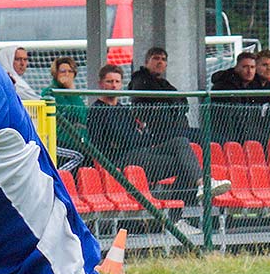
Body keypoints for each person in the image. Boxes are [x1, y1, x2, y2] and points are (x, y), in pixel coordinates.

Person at [88, 64, 226, 205]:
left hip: (140, 152)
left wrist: (137, 139)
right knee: (185, 164)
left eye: (117, 82)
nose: (113, 86)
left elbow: (133, 138)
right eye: (109, 81)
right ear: (101, 84)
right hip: (119, 160)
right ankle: (184, 204)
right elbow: (112, 142)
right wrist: (133, 139)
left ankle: (201, 184)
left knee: (180, 141)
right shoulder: (97, 110)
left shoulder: (123, 110)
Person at [127, 46, 188, 141]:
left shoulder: (164, 83)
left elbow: (184, 102)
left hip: (174, 129)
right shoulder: (140, 80)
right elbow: (160, 99)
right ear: (146, 62)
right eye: (156, 58)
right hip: (156, 132)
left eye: (163, 59)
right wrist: (172, 104)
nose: (160, 62)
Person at [42, 57, 85, 152]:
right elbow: (72, 114)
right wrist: (71, 90)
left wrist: (71, 90)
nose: (67, 74)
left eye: (70, 71)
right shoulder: (50, 92)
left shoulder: (75, 93)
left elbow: (82, 115)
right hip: (60, 140)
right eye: (63, 71)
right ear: (56, 73)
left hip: (79, 141)